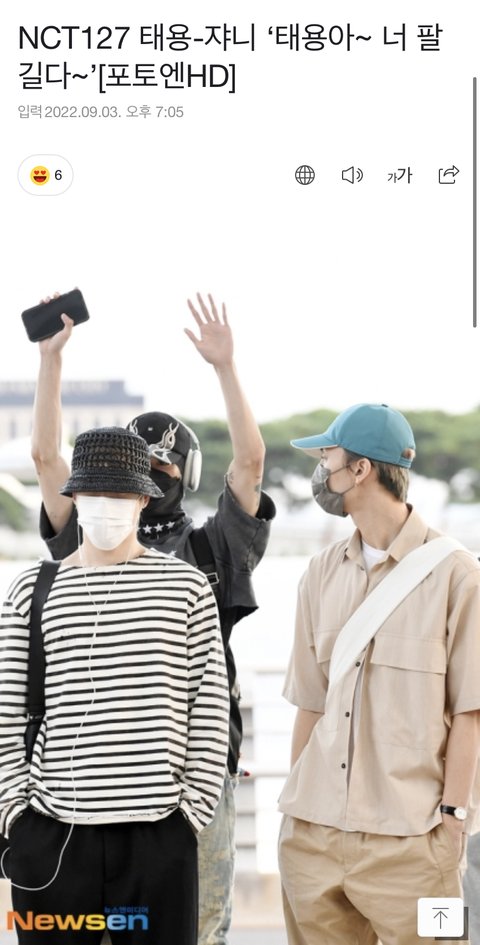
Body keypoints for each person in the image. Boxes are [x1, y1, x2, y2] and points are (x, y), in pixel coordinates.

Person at [30, 292, 276, 945]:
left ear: (184, 473)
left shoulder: (212, 546)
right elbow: (47, 461)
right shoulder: (88, 535)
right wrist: (50, 362)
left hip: (195, 768)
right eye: (144, 462)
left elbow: (250, 463)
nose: (156, 472)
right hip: (90, 772)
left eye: (166, 463)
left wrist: (226, 367)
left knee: (198, 925)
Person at [0, 426, 229, 944]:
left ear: (143, 500)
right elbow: (5, 712)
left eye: (120, 493)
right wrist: (17, 815)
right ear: (75, 497)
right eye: (94, 492)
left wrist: (188, 816)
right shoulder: (31, 589)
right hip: (52, 834)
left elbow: (209, 706)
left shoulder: (185, 587)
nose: (106, 505)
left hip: (158, 834)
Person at [277, 403, 480, 945]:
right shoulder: (319, 573)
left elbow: (471, 712)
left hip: (415, 845)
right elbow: (310, 703)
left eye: (327, 458)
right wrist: (295, 811)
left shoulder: (458, 576)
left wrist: (454, 820)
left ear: (361, 469)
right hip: (313, 842)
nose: (321, 470)